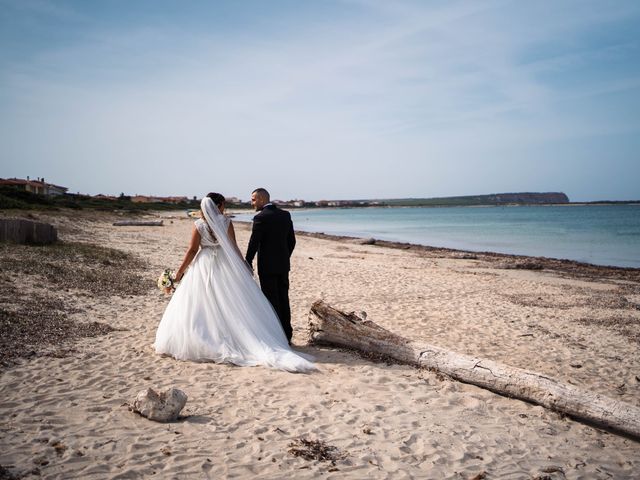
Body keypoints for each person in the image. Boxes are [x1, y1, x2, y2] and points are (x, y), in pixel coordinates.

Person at [154, 193, 316, 373]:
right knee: (231, 301)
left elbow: (192, 251)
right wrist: (244, 265)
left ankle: (206, 339)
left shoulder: (199, 225)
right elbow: (233, 247)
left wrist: (179, 273)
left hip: (204, 263)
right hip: (226, 263)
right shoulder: (226, 222)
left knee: (202, 302)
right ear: (220, 205)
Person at [245, 188, 295, 343]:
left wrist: (247, 262)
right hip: (283, 265)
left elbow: (254, 243)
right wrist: (285, 257)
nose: (252, 202)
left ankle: (276, 336)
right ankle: (287, 335)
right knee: (284, 299)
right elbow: (292, 241)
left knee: (270, 301)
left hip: (267, 267)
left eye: (253, 199)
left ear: (261, 199)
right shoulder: (285, 215)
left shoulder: (261, 217)